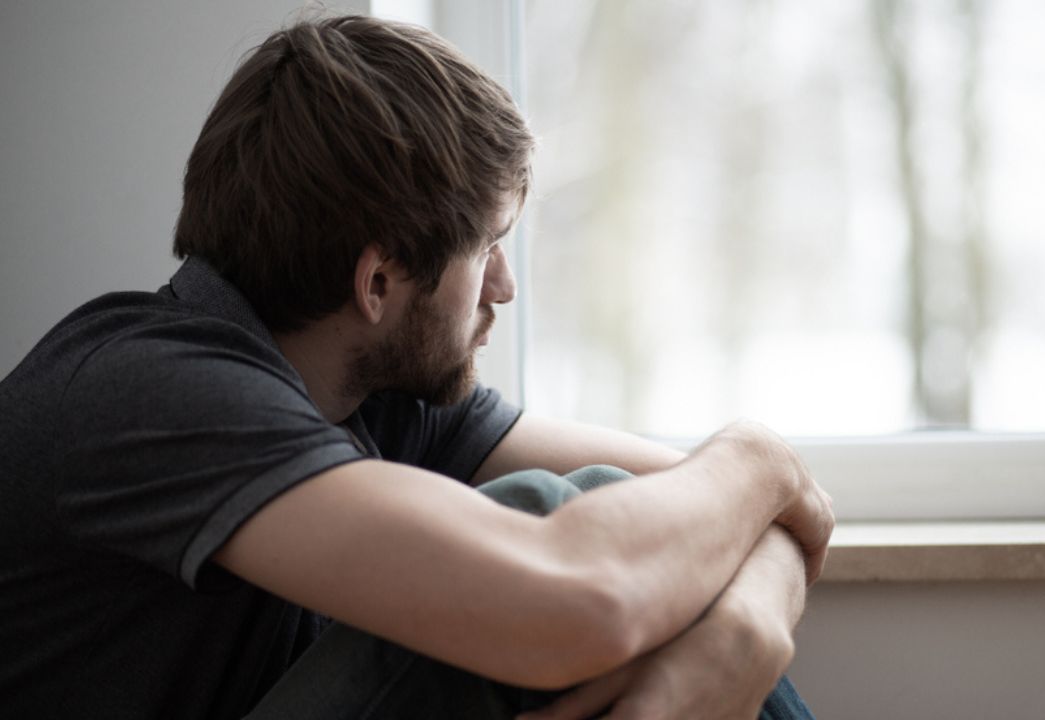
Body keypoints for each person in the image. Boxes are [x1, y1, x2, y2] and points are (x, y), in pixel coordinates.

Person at [0, 14, 833, 720]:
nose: (503, 287)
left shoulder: (363, 390)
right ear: (378, 282)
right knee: (550, 522)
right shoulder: (151, 388)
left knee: (620, 512)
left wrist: (738, 641)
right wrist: (761, 455)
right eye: (489, 248)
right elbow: (590, 597)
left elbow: (745, 510)